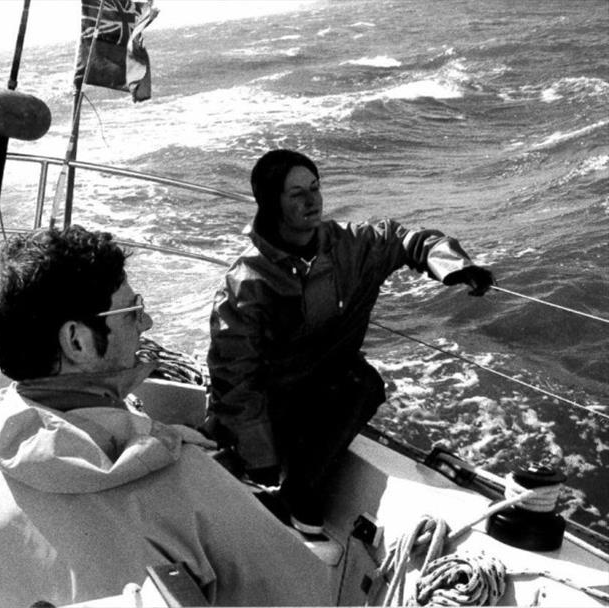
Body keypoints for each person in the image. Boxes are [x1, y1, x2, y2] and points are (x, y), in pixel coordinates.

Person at [0, 226, 334, 608]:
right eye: (132, 310)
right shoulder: (187, 481)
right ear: (77, 341)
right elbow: (307, 593)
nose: (147, 323)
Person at [206, 149, 495, 534]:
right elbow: (234, 380)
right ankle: (286, 492)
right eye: (297, 194)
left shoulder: (351, 246)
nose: (313, 201)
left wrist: (455, 267)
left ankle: (295, 492)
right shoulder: (248, 280)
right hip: (270, 406)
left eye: (315, 187)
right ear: (270, 202)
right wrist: (261, 462)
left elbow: (407, 240)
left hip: (321, 387)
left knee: (363, 383)